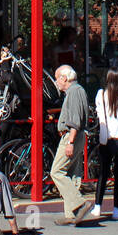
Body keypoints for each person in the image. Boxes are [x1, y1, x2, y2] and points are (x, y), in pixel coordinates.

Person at [50, 64, 92, 224]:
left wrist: (70, 142)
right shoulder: (77, 90)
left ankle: (79, 204)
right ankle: (71, 215)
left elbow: (74, 120)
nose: (56, 82)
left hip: (71, 136)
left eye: (57, 78)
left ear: (64, 78)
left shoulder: (74, 92)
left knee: (57, 172)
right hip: (77, 136)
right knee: (72, 173)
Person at [92, 66, 118, 221]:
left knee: (103, 173)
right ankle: (116, 209)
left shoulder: (100, 94)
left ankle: (97, 206)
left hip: (105, 139)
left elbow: (100, 115)